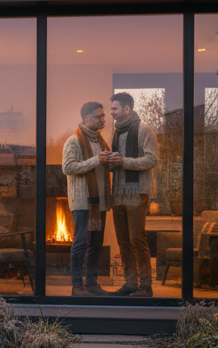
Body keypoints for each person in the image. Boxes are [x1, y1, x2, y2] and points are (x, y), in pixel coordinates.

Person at [105, 92, 159, 297]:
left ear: (127, 109)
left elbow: (152, 159)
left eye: (115, 109)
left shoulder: (144, 130)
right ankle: (130, 284)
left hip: (137, 195)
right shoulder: (117, 132)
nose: (112, 113)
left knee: (137, 240)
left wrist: (123, 161)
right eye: (111, 109)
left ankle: (145, 287)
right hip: (118, 195)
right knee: (123, 241)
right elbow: (119, 162)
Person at [61, 102, 111, 295]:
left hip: (100, 202)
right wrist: (96, 159)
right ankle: (76, 286)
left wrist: (111, 160)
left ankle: (92, 284)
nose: (103, 119)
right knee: (81, 243)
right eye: (99, 116)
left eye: (103, 116)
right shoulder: (73, 141)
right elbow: (68, 168)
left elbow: (101, 165)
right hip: (82, 202)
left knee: (97, 244)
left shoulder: (101, 140)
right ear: (86, 119)